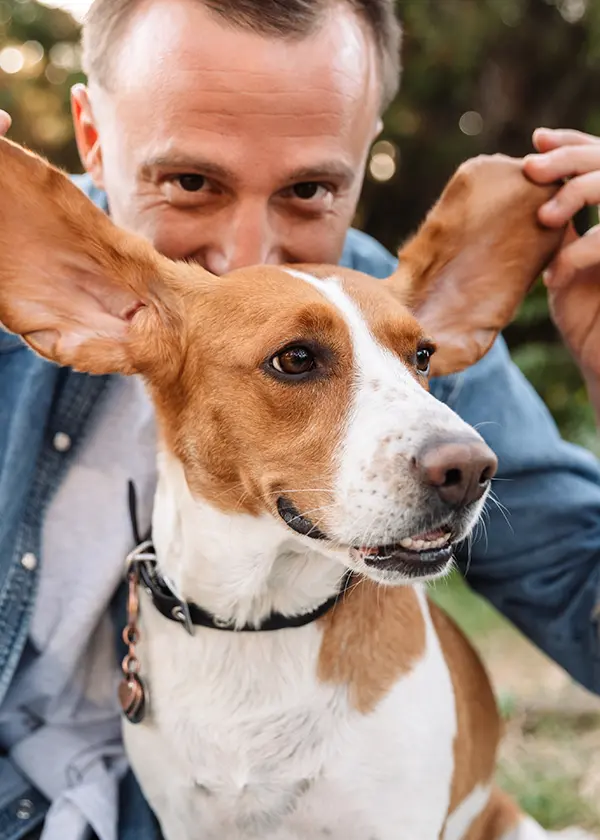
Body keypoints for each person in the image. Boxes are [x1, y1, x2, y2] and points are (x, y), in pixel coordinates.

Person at [1, 1, 600, 838]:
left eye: (310, 189)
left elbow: (583, 592)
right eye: (191, 182)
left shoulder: (393, 318)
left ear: (362, 160)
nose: (248, 256)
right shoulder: (70, 283)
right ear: (93, 136)